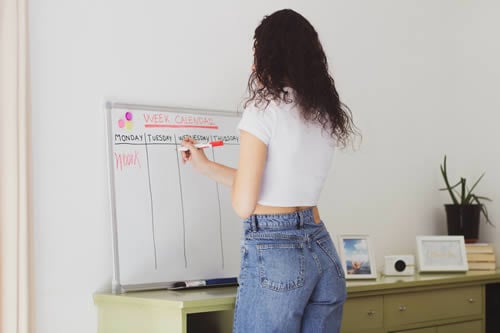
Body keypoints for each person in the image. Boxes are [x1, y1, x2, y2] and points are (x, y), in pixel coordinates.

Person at [180, 8, 358, 333]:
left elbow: (244, 204)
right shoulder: (323, 113)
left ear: (268, 57)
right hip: (321, 248)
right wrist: (205, 166)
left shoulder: (263, 111)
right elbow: (269, 188)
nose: (252, 65)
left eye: (256, 55)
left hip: (278, 253)